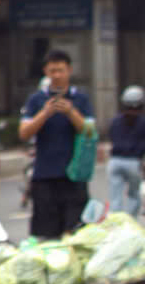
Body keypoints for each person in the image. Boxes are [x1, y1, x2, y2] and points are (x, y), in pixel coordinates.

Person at [18, 49, 94, 238]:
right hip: (44, 176)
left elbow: (89, 132)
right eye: (53, 71)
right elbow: (24, 133)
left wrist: (71, 112)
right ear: (46, 72)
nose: (57, 75)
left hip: (74, 176)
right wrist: (44, 113)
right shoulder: (36, 99)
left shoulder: (81, 98)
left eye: (61, 70)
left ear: (69, 70)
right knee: (47, 236)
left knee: (75, 234)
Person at [105, 85, 145, 217]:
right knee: (134, 195)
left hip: (114, 162)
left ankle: (117, 223)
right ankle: (131, 222)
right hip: (133, 162)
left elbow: (111, 134)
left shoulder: (116, 121)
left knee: (115, 197)